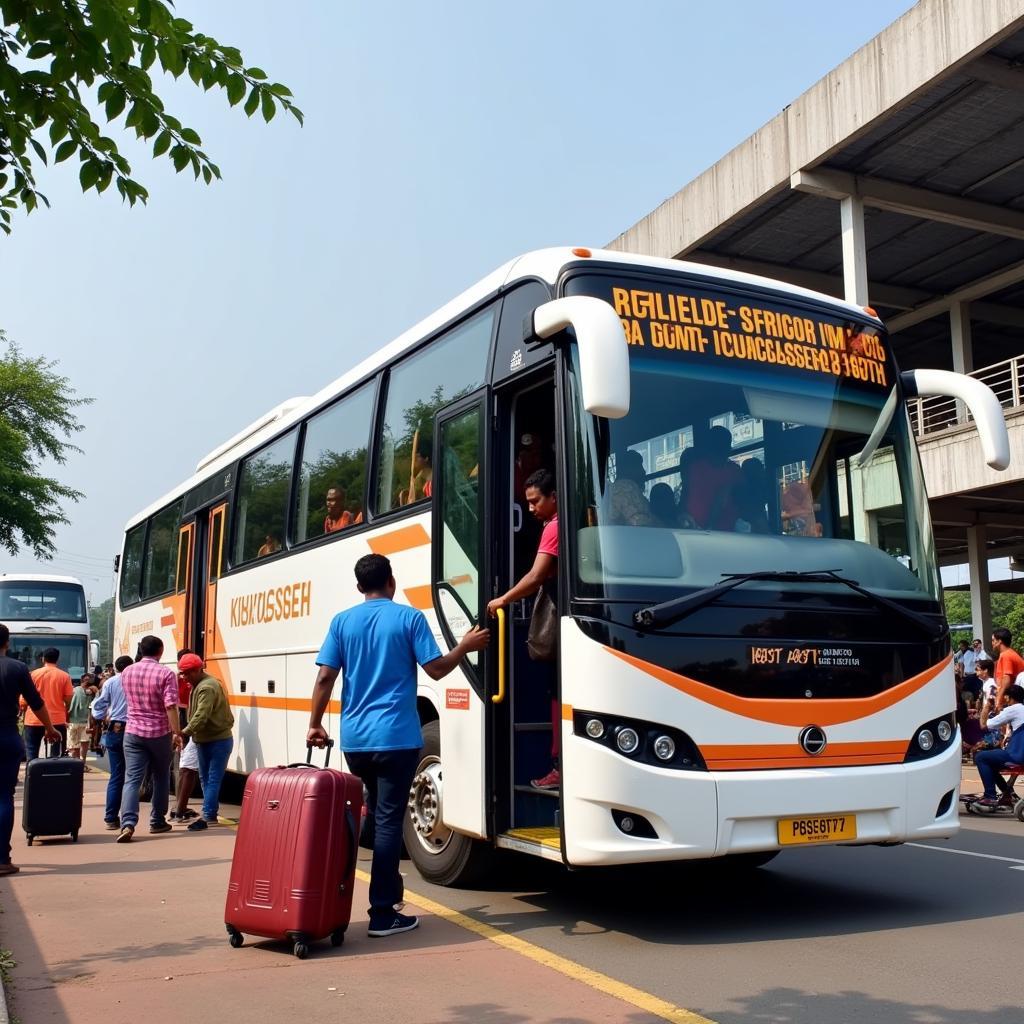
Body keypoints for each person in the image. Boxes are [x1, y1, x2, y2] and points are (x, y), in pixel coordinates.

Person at [307, 553, 489, 938]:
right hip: (397, 739)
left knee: (373, 815)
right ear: (392, 581)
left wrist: (314, 723)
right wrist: (465, 646)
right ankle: (383, 912)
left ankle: (379, 894)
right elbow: (436, 669)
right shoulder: (409, 618)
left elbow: (325, 678)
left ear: (360, 587)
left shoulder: (342, 622)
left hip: (356, 742)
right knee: (389, 821)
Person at [486, 468, 561, 790]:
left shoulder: (554, 527)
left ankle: (558, 766)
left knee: (558, 695)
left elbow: (536, 576)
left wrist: (502, 599)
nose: (530, 508)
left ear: (554, 497)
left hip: (560, 623)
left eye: (535, 501)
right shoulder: (566, 521)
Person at [0, 624, 60, 875]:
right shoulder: (16, 668)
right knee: (4, 796)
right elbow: (36, 702)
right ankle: (2, 859)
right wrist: (50, 728)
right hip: (6, 736)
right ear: (8, 643)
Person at [116, 635, 184, 843]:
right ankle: (157, 821)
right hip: (159, 733)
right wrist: (177, 732)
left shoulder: (127, 671)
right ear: (160, 651)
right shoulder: (165, 673)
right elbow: (171, 706)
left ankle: (127, 823)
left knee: (132, 778)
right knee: (161, 776)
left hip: (133, 731)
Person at [178, 653, 235, 831]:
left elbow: (201, 715)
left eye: (187, 673)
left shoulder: (207, 687)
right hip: (204, 739)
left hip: (217, 740)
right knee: (205, 778)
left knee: (212, 779)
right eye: (183, 673)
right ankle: (209, 812)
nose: (185, 677)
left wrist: (184, 732)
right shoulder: (200, 684)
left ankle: (208, 815)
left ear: (197, 670)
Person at [91, 655, 132, 830]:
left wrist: (103, 718)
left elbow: (97, 707)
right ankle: (131, 819)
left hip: (116, 728)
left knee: (117, 775)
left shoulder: (110, 683)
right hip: (136, 729)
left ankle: (111, 818)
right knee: (134, 776)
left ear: (115, 668)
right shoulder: (137, 680)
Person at [971, 684, 1024, 807]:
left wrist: (986, 708)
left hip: (1017, 755)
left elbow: (984, 725)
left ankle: (990, 796)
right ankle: (1007, 795)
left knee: (980, 757)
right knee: (991, 762)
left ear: (1007, 697)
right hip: (1019, 752)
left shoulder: (1014, 709)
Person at [681, 425, 743, 531]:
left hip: (729, 533)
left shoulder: (735, 471)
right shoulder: (696, 468)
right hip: (696, 531)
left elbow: (744, 501)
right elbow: (686, 497)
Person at [22, 647, 72, 760]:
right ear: (57, 660)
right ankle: (54, 776)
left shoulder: (33, 675)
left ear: (43, 659)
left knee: (31, 750)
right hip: (57, 720)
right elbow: (68, 700)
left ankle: (31, 775)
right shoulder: (64, 676)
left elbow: (24, 700)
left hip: (33, 719)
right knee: (56, 755)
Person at [170, 648, 199, 823]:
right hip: (185, 715)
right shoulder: (193, 677)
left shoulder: (176, 676)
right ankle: (180, 804)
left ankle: (180, 803)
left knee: (182, 762)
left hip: (183, 715)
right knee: (185, 763)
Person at [608, 450, 655, 527]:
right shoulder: (625, 487)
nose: (643, 471)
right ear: (629, 469)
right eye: (639, 466)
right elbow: (641, 523)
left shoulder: (619, 488)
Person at [66, 673, 97, 768]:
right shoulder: (92, 692)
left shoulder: (74, 690)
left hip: (72, 721)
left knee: (74, 744)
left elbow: (66, 705)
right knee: (84, 743)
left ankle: (75, 765)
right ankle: (82, 764)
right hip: (85, 722)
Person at [990, 628, 1024, 703]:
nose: (992, 643)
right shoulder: (1009, 654)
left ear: (999, 641)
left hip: (1014, 699)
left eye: (993, 640)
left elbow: (1007, 680)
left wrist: (998, 698)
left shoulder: (1006, 655)